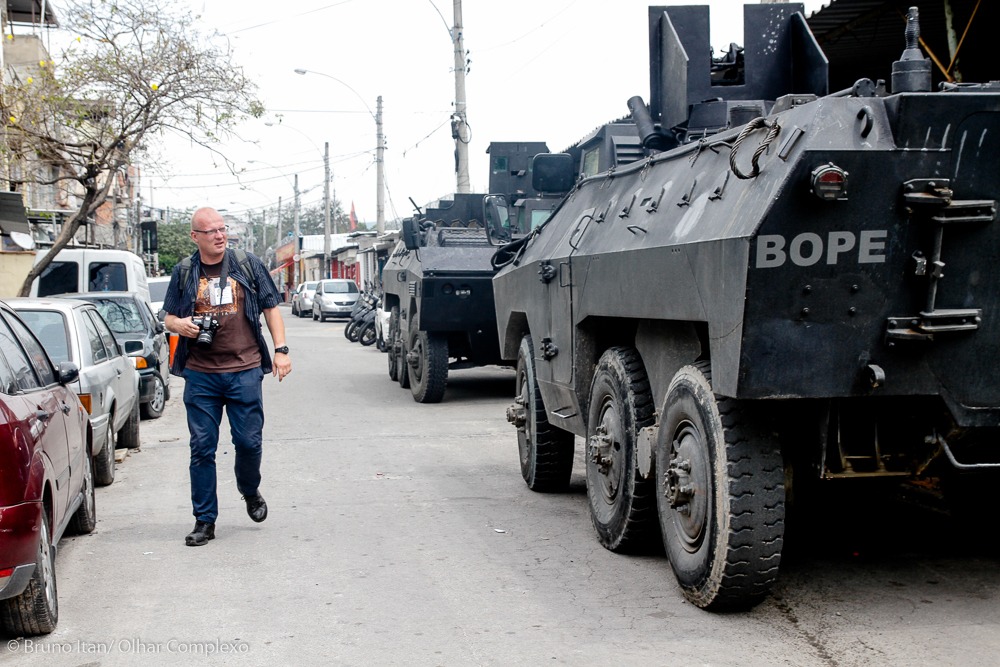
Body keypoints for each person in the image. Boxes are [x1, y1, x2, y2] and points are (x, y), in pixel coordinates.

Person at [163, 207, 292, 547]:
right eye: (211, 231)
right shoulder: (185, 271)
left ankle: (249, 489)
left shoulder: (246, 263)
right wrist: (181, 325)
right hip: (201, 375)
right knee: (202, 447)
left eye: (222, 229)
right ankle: (204, 520)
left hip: (245, 369)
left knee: (248, 443)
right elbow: (169, 317)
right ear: (196, 237)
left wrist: (281, 349)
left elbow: (270, 306)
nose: (219, 235)